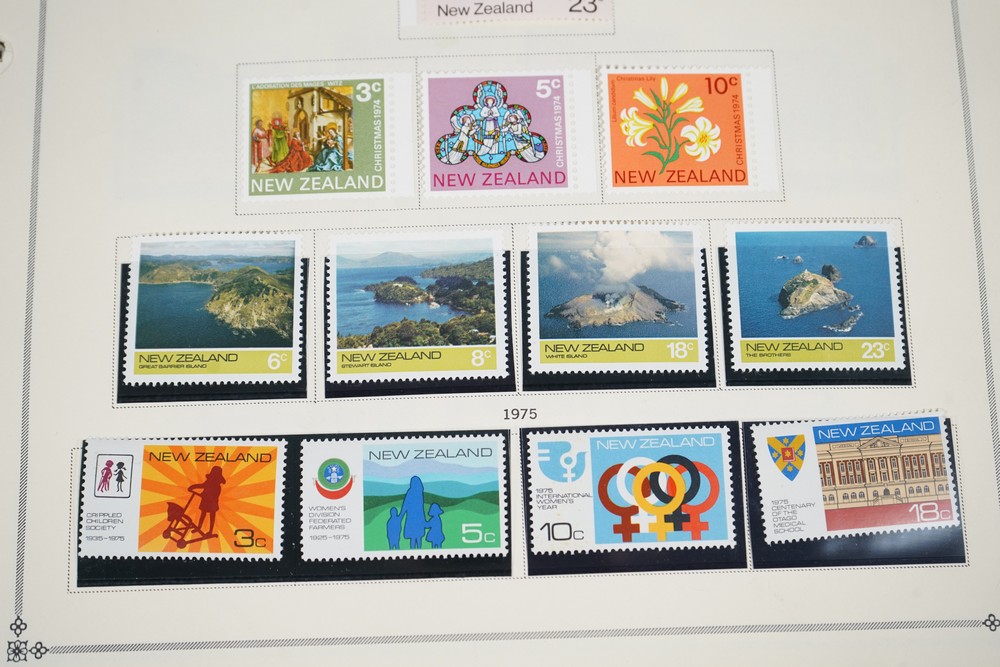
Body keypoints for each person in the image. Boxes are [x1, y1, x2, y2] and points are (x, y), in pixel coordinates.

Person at [188, 466, 226, 537]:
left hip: (212, 503)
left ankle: (210, 531)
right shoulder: (209, 481)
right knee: (203, 514)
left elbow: (215, 496)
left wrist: (206, 496)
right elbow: (202, 485)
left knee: (212, 516)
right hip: (206, 501)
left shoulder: (217, 486)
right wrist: (192, 487)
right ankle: (199, 527)